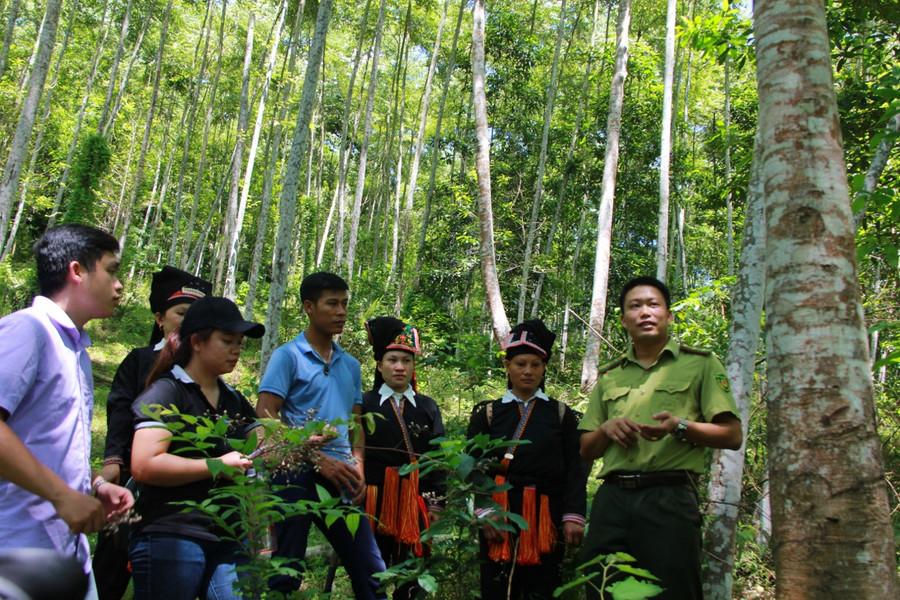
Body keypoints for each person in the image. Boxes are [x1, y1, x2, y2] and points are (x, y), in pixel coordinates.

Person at [579, 276, 743, 600]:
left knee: (672, 591)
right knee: (602, 588)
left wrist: (680, 426)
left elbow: (732, 435)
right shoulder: (610, 374)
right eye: (635, 306)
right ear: (623, 320)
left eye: (653, 304)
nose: (645, 312)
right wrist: (606, 428)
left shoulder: (700, 364)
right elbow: (586, 449)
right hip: (612, 500)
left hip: (669, 498)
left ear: (668, 315)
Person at [0, 224, 134, 600]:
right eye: (111, 270)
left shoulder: (75, 350)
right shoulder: (27, 330)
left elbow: (43, 442)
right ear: (77, 271)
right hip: (16, 552)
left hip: (64, 552)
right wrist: (62, 496)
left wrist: (93, 485)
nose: (119, 286)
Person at [256, 271, 386, 599]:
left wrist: (358, 467)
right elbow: (265, 417)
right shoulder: (288, 356)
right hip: (293, 471)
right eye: (332, 303)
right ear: (309, 307)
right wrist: (315, 458)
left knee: (371, 570)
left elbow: (356, 424)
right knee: (286, 570)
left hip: (342, 474)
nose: (341, 311)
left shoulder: (350, 365)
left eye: (345, 303)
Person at [128, 295, 265, 600]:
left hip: (228, 536)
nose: (236, 350)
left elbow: (260, 443)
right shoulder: (166, 392)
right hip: (171, 532)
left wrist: (301, 442)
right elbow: (144, 464)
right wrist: (216, 466)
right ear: (197, 342)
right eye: (227, 340)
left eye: (240, 343)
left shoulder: (233, 399)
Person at [93, 266, 212, 600]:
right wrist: (113, 460)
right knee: (110, 567)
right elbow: (119, 410)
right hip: (134, 479)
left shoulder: (207, 369)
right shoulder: (140, 360)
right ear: (160, 319)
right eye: (181, 314)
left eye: (196, 316)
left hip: (184, 486)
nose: (188, 322)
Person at [467, 319, 588, 600]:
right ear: (507, 366)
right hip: (500, 512)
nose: (528, 371)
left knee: (543, 587)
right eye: (520, 364)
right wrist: (485, 511)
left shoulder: (561, 414)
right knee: (497, 587)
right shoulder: (488, 413)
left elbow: (576, 466)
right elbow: (474, 464)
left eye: (535, 365)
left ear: (544, 368)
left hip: (548, 512)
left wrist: (574, 515)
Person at [362, 317, 446, 600]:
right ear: (379, 365)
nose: (399, 367)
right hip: (374, 501)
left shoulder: (427, 406)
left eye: (406, 361)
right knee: (371, 573)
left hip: (415, 500)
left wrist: (436, 503)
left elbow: (437, 456)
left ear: (413, 366)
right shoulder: (364, 403)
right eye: (392, 360)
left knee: (412, 574)